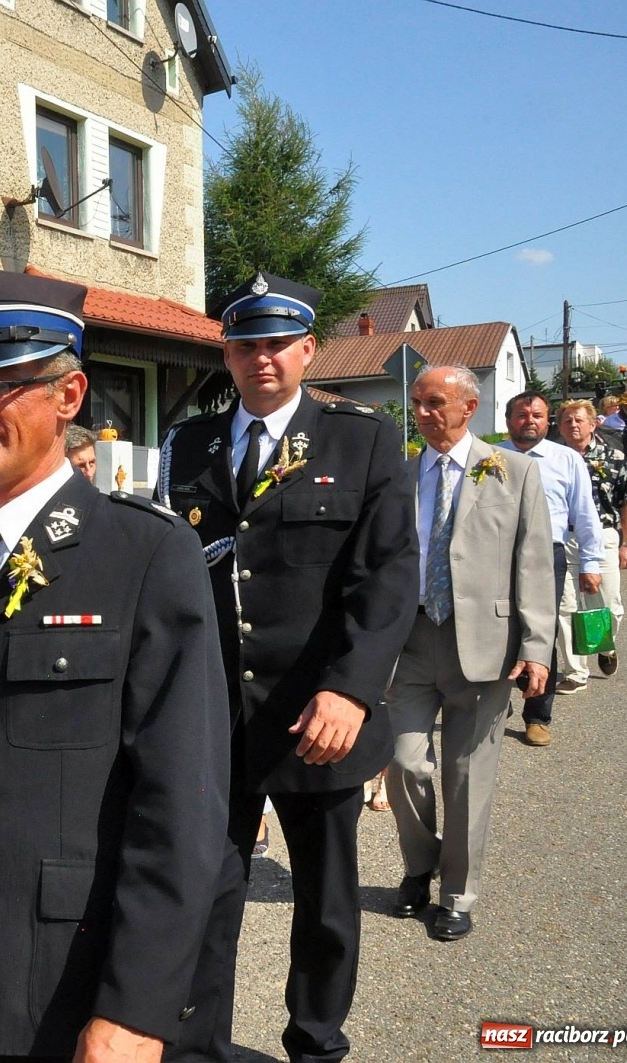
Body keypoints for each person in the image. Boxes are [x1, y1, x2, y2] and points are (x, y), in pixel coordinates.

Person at [0, 265, 230, 1062]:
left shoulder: (147, 554)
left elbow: (181, 806)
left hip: (52, 983)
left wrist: (137, 1006)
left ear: (69, 396)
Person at [156, 272, 418, 1063]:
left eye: (277, 344)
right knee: (204, 892)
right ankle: (198, 1044)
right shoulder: (189, 444)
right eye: (244, 344)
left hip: (319, 715)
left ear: (308, 350)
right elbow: (173, 575)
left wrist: (351, 689)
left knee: (326, 903)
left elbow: (388, 576)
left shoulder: (362, 439)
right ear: (226, 354)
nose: (260, 358)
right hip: (212, 718)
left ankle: (315, 1043)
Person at [385, 366, 554, 942]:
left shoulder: (516, 472)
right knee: (405, 764)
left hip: (484, 647)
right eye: (417, 403)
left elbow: (533, 565)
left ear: (469, 406)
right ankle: (418, 865)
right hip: (408, 642)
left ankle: (457, 894)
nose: (423, 412)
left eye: (435, 402)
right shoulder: (400, 475)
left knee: (465, 776)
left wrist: (537, 648)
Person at [499, 391, 604, 746]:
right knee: (493, 630)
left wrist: (590, 562)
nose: (530, 420)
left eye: (538, 415)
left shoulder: (566, 459)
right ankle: (497, 707)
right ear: (508, 419)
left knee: (540, 631)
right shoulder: (489, 456)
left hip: (547, 554)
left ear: (547, 421)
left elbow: (585, 514)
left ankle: (538, 716)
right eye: (522, 414)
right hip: (495, 555)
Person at [555, 400, 627, 686]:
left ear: (593, 424)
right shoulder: (552, 457)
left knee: (609, 604)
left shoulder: (613, 456)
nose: (573, 425)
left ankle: (605, 643)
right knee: (566, 606)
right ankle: (575, 673)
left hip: (602, 536)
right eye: (567, 421)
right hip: (563, 538)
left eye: (578, 420)